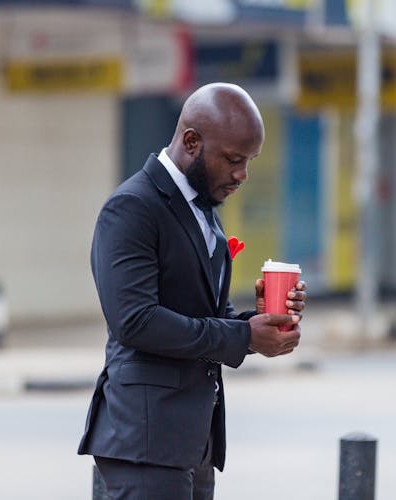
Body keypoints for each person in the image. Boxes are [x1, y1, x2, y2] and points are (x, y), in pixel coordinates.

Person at [77, 83, 306, 499]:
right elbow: (136, 322)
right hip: (145, 442)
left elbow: (199, 316)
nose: (242, 175)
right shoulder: (132, 207)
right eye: (234, 160)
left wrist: (255, 324)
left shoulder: (202, 209)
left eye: (249, 161)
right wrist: (242, 336)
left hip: (192, 438)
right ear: (191, 141)